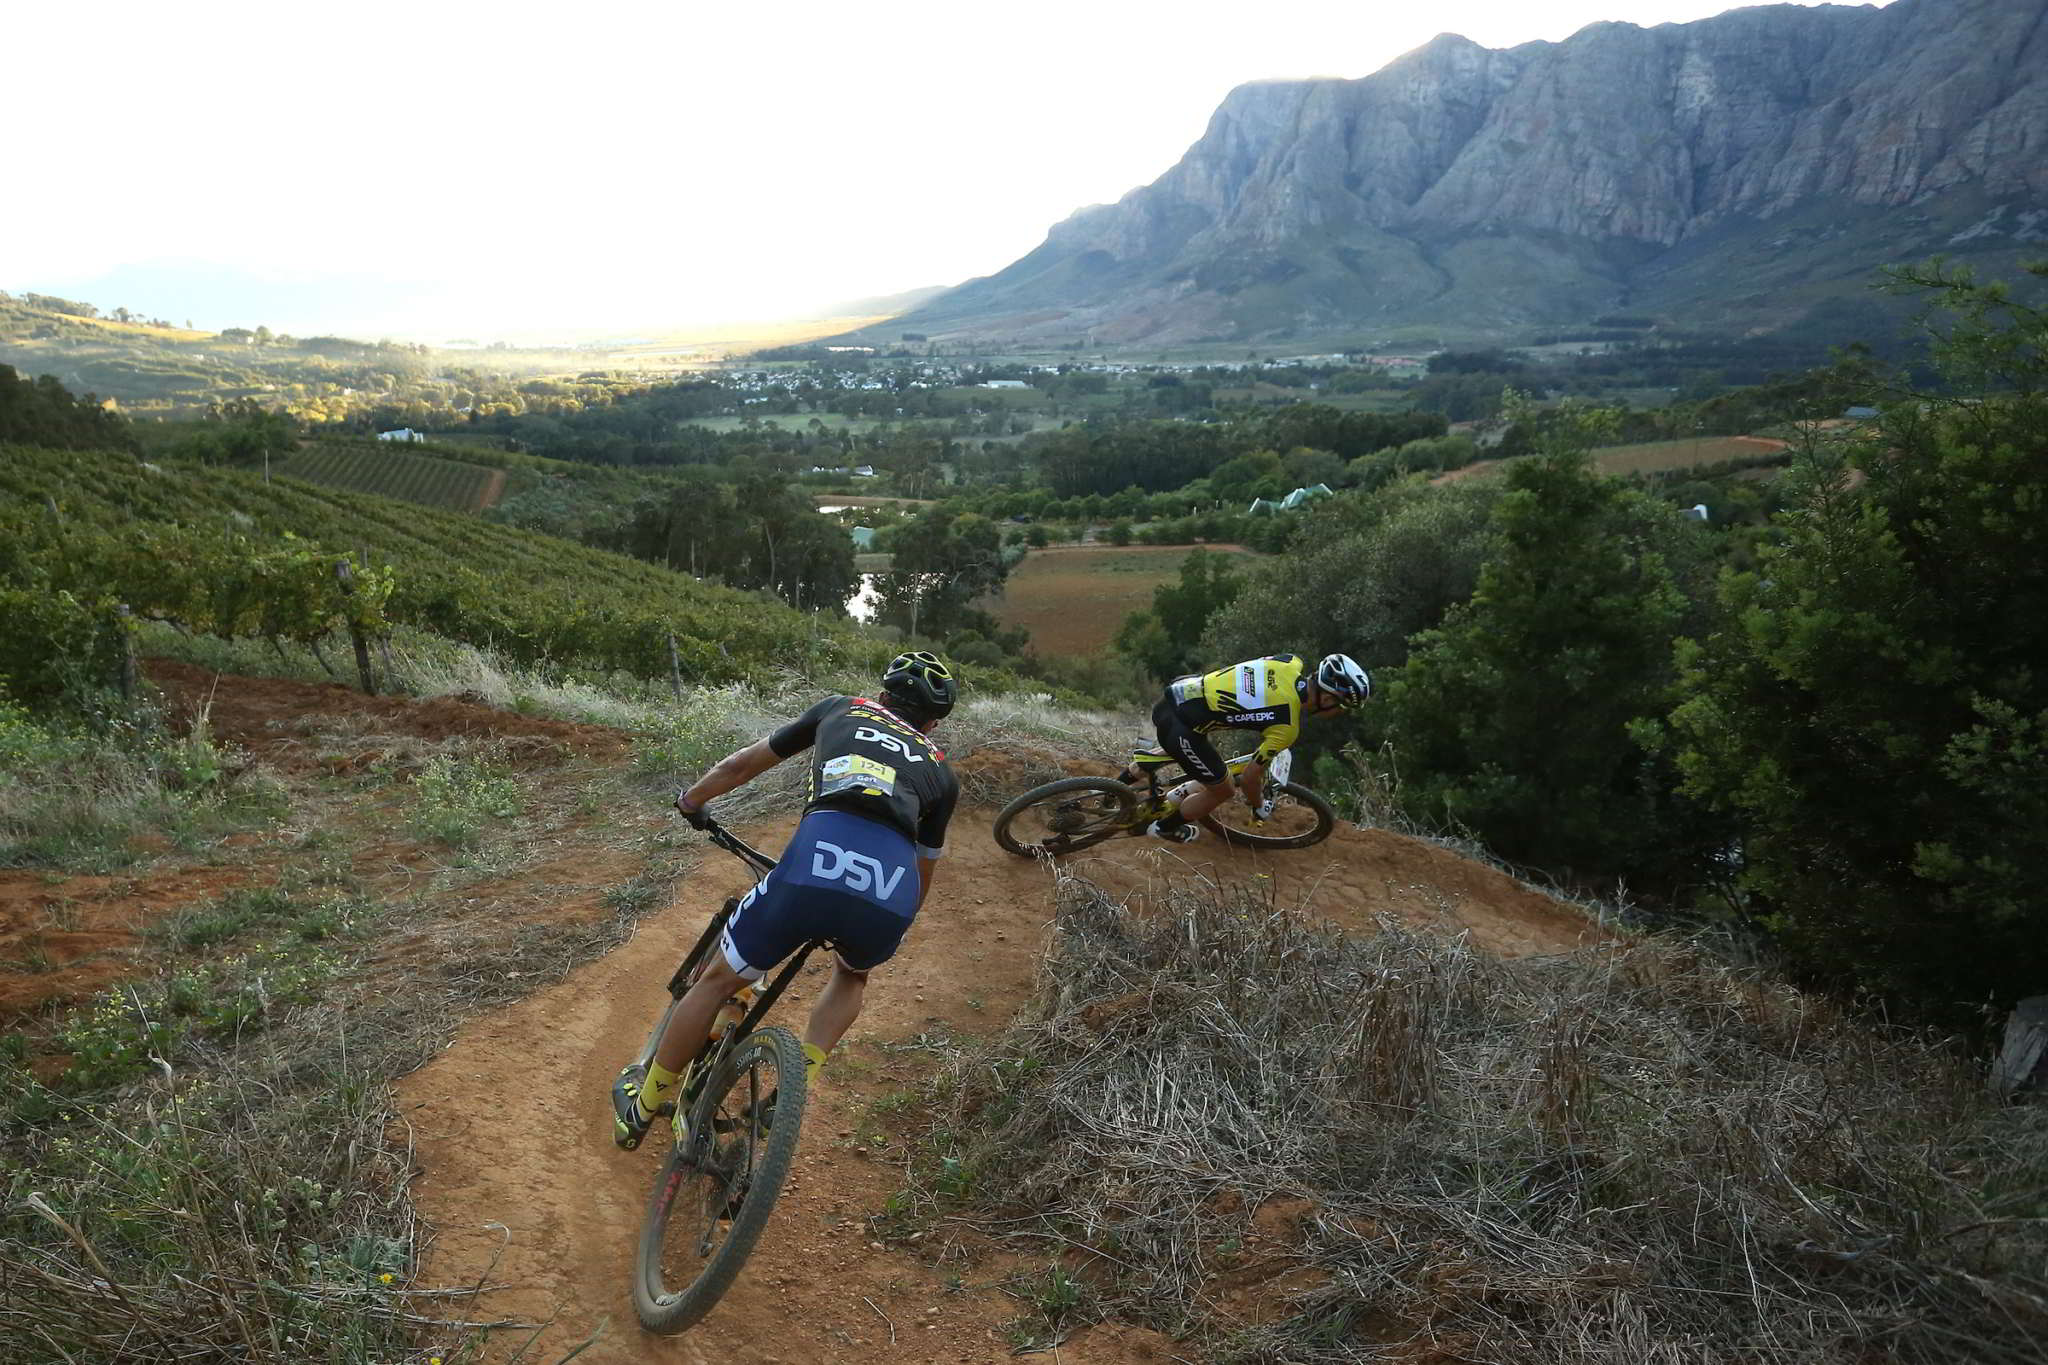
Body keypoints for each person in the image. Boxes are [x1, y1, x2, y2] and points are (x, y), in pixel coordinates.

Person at [611, 651, 960, 1149]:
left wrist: (692, 801)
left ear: (881, 696)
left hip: (814, 863)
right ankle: (795, 1089)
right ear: (932, 724)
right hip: (889, 891)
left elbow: (740, 765)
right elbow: (925, 867)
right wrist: (894, 922)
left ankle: (642, 1109)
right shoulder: (942, 772)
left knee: (717, 982)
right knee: (852, 974)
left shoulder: (841, 708)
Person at [1142, 652, 1370, 844]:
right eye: (1341, 707)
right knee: (1224, 790)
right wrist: (1259, 805)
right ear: (1327, 699)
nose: (1339, 713)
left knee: (1210, 763)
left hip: (1180, 691)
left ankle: (1130, 777)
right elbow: (1250, 778)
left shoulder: (1289, 661)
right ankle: (1163, 829)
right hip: (1181, 726)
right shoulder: (1287, 727)